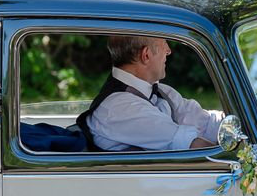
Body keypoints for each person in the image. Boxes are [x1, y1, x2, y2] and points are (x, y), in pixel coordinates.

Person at [77, 35, 224, 151]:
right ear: (146, 55)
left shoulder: (162, 91)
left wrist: (238, 121)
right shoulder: (119, 107)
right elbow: (189, 144)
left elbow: (206, 122)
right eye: (164, 43)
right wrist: (241, 160)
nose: (168, 50)